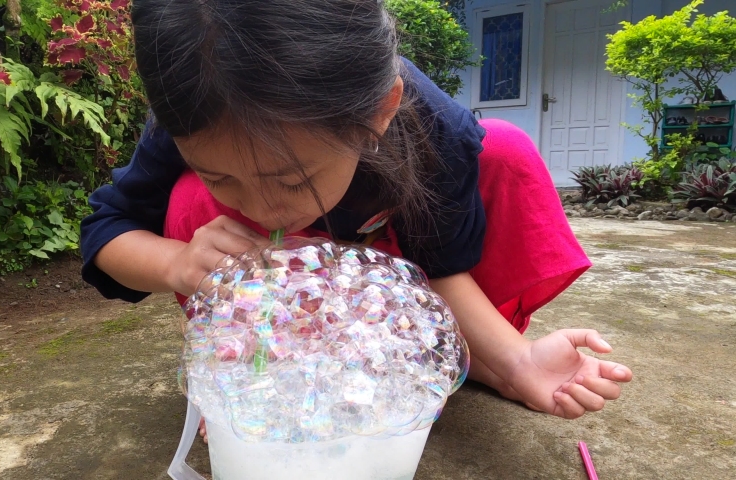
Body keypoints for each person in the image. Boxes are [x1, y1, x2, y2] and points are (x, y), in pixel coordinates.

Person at [81, 0, 633, 428]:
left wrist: (519, 362)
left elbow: (442, 265)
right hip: (279, 297)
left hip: (403, 276)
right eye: (221, 174)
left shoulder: (436, 129)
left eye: (292, 180)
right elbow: (106, 231)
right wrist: (178, 263)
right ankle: (258, 365)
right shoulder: (197, 110)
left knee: (506, 150)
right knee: (190, 202)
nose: (261, 208)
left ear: (380, 112)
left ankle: (470, 356)